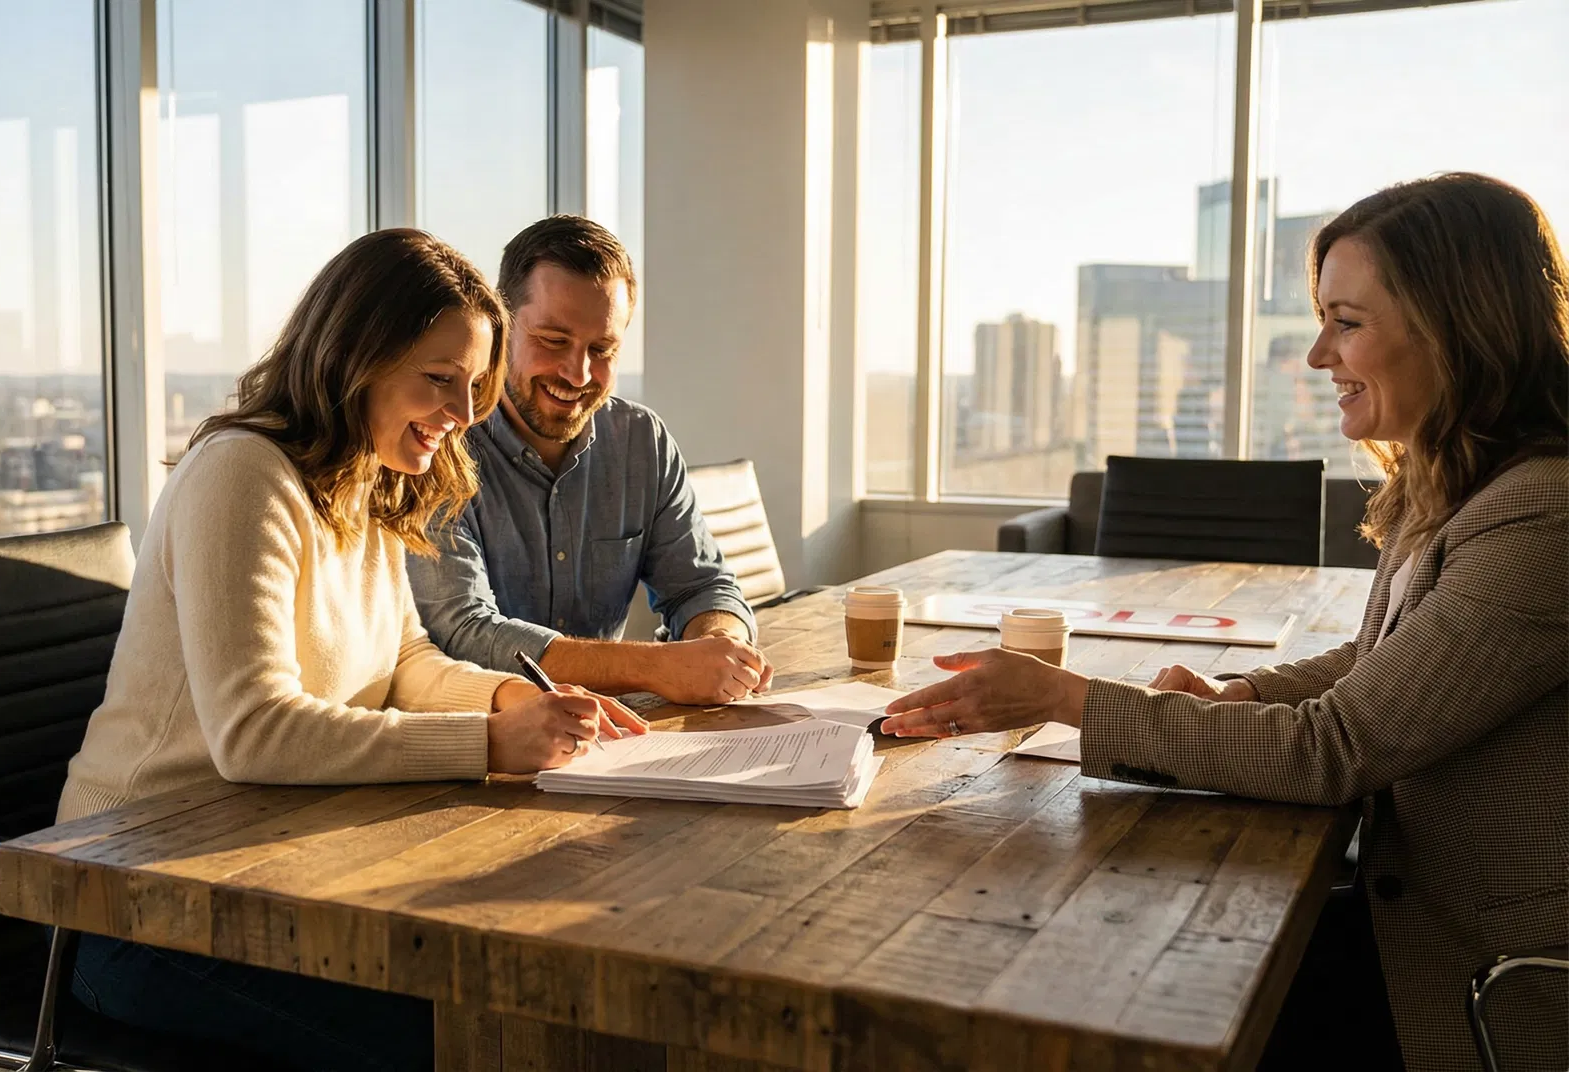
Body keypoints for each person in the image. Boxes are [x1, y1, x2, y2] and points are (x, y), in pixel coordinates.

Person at [879, 173, 1568, 1072]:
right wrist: (1241, 689)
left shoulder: (1542, 517)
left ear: (1456, 328)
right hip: (1418, 900)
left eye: (1346, 322)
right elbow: (1372, 658)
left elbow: (1333, 751)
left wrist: (1064, 698)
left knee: (1123, 980)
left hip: (1474, 967)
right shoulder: (1455, 485)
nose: (1319, 354)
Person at [56, 228, 646, 1070]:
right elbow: (255, 730)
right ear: (352, 358)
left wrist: (508, 699)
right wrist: (485, 744)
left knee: (530, 999)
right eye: (438, 380)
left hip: (266, 862)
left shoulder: (366, 477)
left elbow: (406, 660)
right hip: (136, 902)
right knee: (473, 1035)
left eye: (473, 385)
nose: (462, 414)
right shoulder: (241, 474)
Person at [409, 215, 772, 705]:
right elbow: (461, 632)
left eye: (602, 349)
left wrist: (721, 641)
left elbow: (701, 585)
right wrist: (655, 667)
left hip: (610, 738)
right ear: (501, 326)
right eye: (553, 341)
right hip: (476, 741)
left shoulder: (640, 440)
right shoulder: (439, 440)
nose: (577, 373)